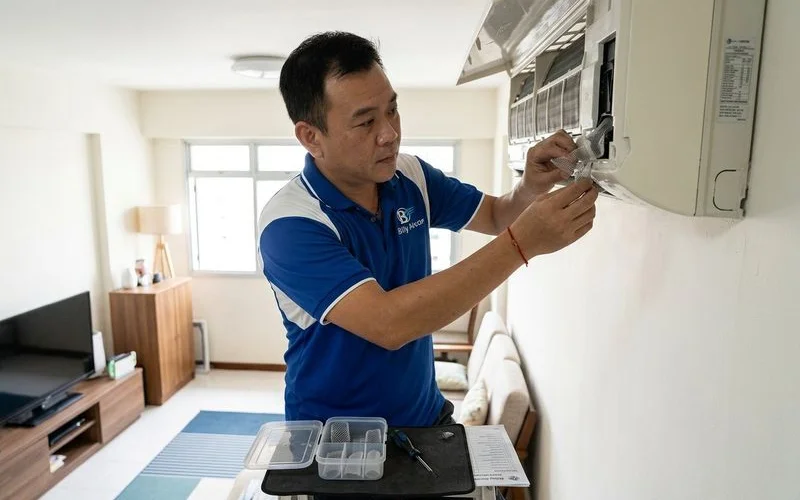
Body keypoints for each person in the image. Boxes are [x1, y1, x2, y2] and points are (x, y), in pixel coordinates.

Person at [258, 31, 598, 428]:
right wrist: (521, 244)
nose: (389, 133)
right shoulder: (290, 225)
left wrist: (529, 187)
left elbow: (495, 215)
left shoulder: (409, 175)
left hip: (425, 418)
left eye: (392, 110)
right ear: (311, 137)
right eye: (366, 122)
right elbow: (388, 324)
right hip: (334, 438)